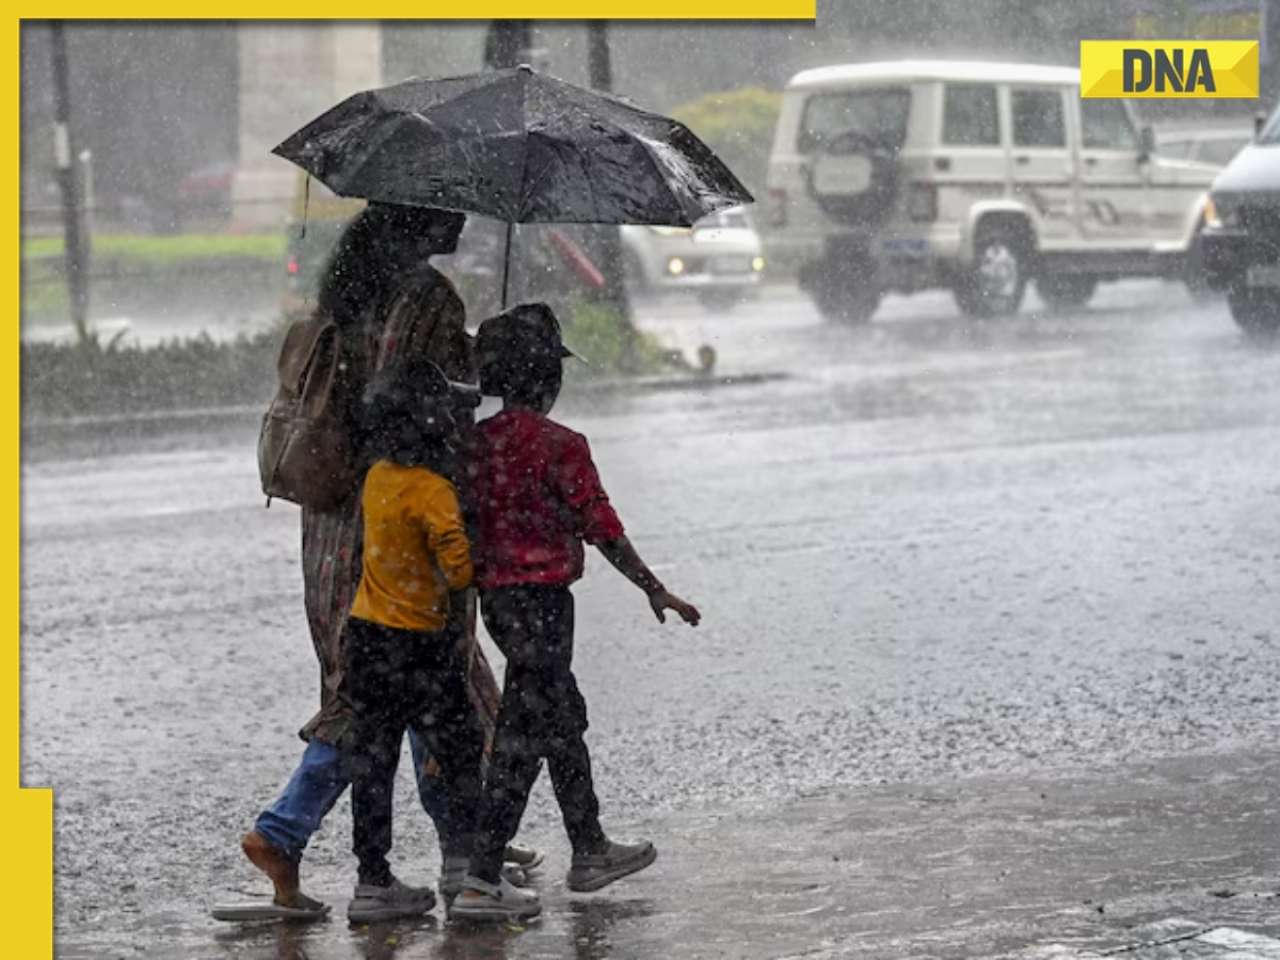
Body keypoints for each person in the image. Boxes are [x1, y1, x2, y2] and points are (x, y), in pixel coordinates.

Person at [239, 204, 538, 921]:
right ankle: (294, 832)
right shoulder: (428, 296)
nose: (463, 217)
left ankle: (462, 846)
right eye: (448, 204)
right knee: (422, 689)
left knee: (392, 687)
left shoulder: (346, 294)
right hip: (405, 521)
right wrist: (482, 367)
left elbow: (374, 391)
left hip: (337, 521)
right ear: (417, 218)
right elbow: (422, 407)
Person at [450, 303, 702, 921]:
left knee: (559, 715)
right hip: (545, 605)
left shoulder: (472, 446)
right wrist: (652, 586)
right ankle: (482, 878)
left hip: (498, 605)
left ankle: (589, 848)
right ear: (548, 380)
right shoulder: (563, 446)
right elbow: (600, 525)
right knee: (523, 733)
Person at [339, 356, 539, 923]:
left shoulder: (378, 477)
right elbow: (457, 573)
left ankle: (372, 881)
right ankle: (469, 868)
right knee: (457, 749)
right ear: (431, 424)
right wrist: (472, 534)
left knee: (373, 764)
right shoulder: (433, 492)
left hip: (366, 639)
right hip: (419, 646)